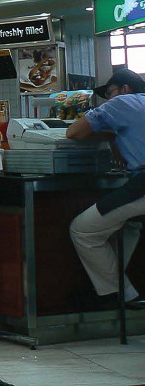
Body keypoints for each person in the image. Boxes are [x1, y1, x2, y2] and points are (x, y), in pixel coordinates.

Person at [67, 68, 145, 310]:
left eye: (109, 93)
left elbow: (74, 132)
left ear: (125, 89)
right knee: (131, 225)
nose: (107, 100)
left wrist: (109, 133)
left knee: (82, 230)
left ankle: (118, 294)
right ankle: (113, 286)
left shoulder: (123, 102)